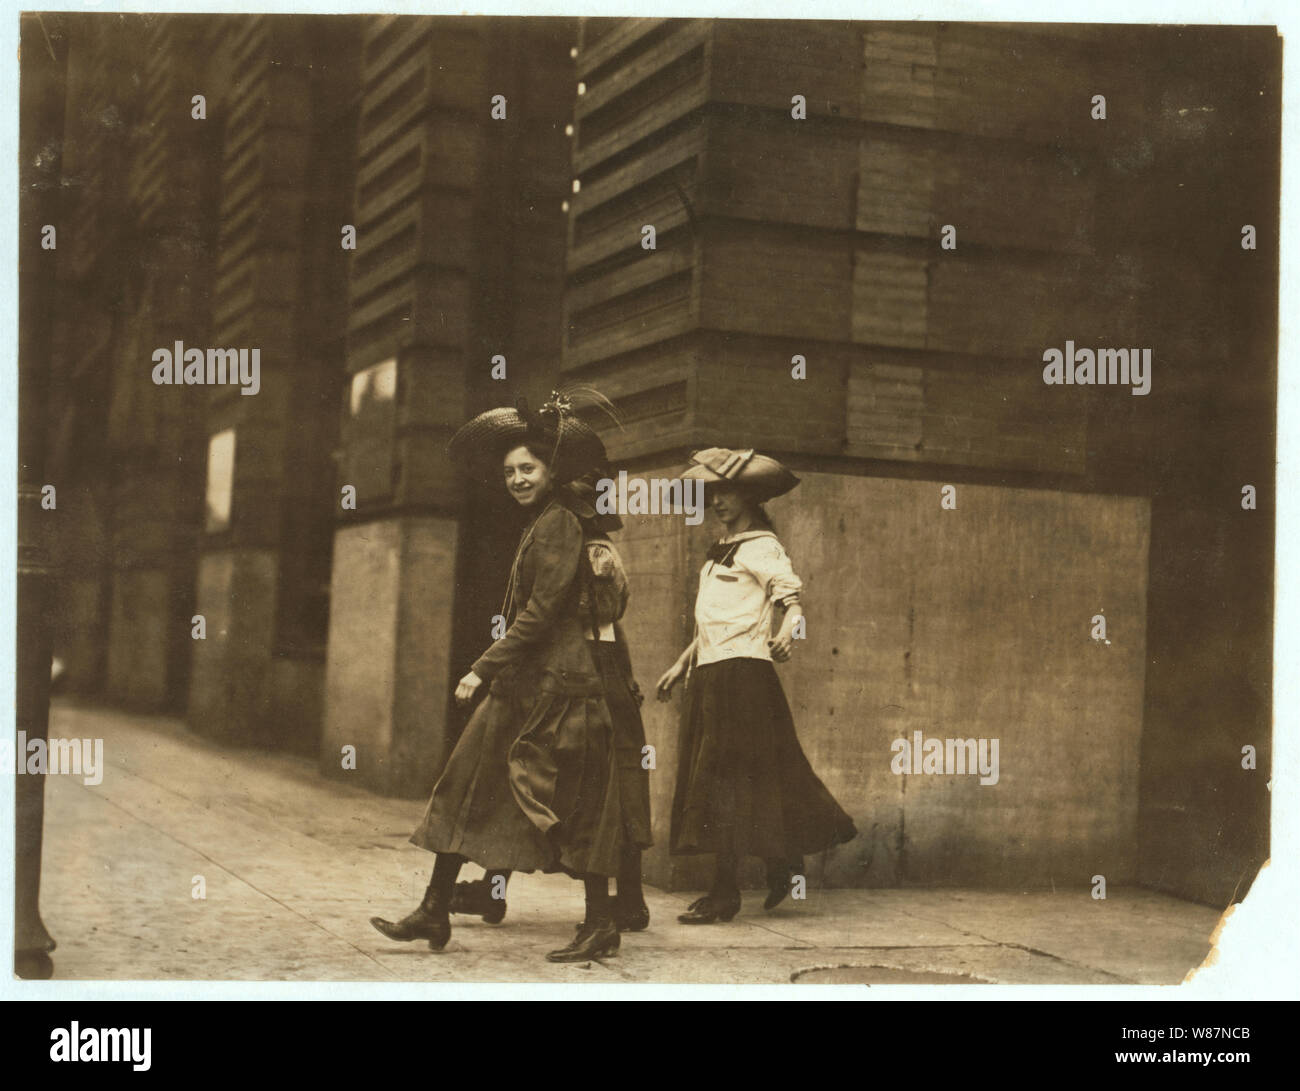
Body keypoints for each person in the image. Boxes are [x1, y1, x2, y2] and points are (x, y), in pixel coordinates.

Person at [369, 392, 627, 962]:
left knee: (570, 806)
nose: (516, 479)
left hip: (560, 687)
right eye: (509, 471)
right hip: (525, 686)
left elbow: (542, 610)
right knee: (464, 785)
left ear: (551, 470)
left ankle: (602, 921)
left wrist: (482, 668)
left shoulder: (560, 521)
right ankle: (436, 908)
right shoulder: (542, 521)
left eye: (527, 469)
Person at [657, 447, 857, 923]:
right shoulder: (718, 550)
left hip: (744, 677)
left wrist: (787, 634)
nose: (719, 502)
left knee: (725, 781)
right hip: (711, 673)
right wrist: (680, 664)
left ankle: (725, 894)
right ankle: (781, 861)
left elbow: (792, 600)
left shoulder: (762, 547)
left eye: (727, 492)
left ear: (749, 495)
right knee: (745, 778)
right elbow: (712, 622)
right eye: (711, 494)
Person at [450, 472, 654, 932]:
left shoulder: (587, 550)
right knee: (567, 786)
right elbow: (611, 627)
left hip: (588, 677)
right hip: (602, 673)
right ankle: (496, 889)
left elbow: (592, 621)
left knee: (588, 792)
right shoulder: (589, 546)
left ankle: (625, 903)